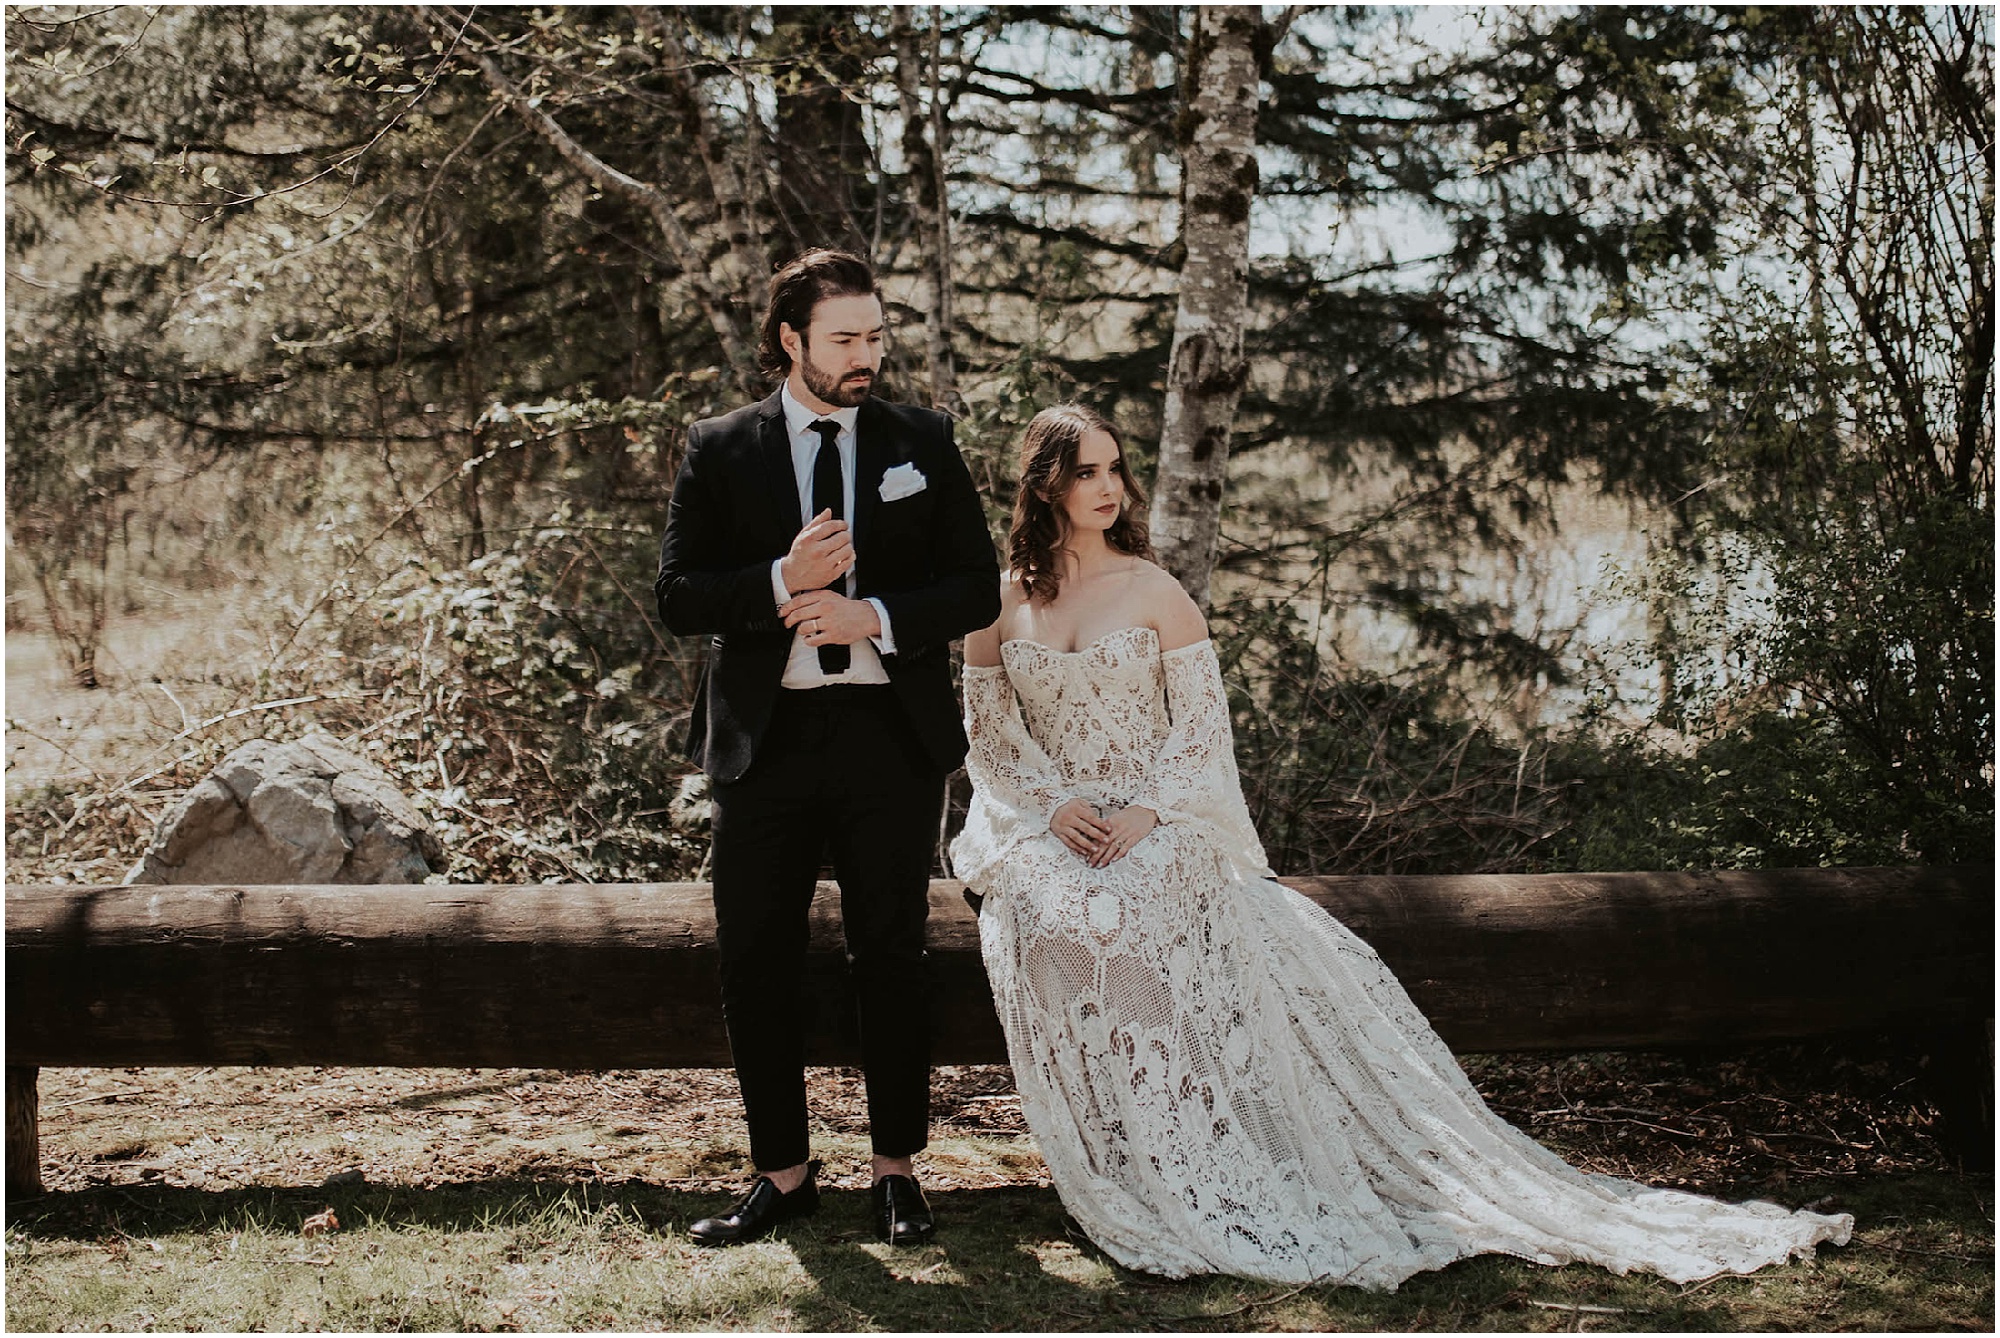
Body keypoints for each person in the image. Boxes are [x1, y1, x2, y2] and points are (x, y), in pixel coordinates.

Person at [949, 403, 1853, 1287]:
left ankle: (1195, 1147)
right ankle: (1123, 1147)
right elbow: (991, 736)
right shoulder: (1000, 603)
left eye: (1115, 468)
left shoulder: (1153, 589)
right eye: (1086, 472)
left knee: (1142, 906)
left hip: (1155, 818)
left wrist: (1147, 814)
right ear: (1046, 486)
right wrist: (1057, 804)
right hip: (1050, 820)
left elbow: (1199, 736)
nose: (1108, 487)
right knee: (1054, 914)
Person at [655, 249, 1000, 1247]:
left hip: (889, 743)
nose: (865, 355)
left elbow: (973, 587)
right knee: (752, 958)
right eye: (845, 338)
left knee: (889, 953)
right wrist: (778, 578)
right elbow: (678, 596)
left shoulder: (918, 441)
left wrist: (874, 617)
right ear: (789, 341)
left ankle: (896, 1173)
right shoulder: (721, 449)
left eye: (876, 336)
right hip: (763, 749)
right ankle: (783, 1176)